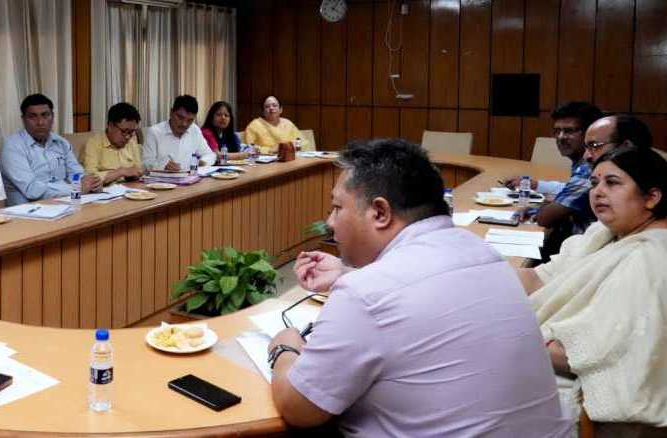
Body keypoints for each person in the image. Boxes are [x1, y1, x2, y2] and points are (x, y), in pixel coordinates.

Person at [268, 138, 570, 436]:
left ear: (380, 212)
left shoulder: (365, 292)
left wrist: (284, 347)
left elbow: (300, 409)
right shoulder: (485, 253)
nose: (330, 222)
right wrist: (347, 274)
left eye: (337, 207)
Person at [517, 145, 667, 436]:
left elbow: (597, 354)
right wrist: (480, 275)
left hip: (586, 400)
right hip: (548, 355)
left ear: (651, 197)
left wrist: (517, 334)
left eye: (612, 183)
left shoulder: (650, 257)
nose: (597, 192)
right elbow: (542, 278)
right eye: (595, 183)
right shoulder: (606, 234)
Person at [503, 102, 604, 261]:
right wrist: (538, 187)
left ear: (589, 135)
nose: (561, 137)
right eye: (557, 131)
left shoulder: (588, 168)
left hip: (586, 254)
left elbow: (546, 218)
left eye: (569, 131)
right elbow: (571, 189)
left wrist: (542, 207)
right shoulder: (584, 164)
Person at [0, 93, 100, 205]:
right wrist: (75, 189)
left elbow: (75, 172)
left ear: (52, 117)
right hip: (30, 209)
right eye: (33, 116)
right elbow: (32, 190)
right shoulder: (12, 147)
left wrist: (90, 183)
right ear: (23, 119)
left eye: (45, 115)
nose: (40, 122)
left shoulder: (61, 143)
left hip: (66, 202)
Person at [142, 94, 216, 172]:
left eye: (190, 120)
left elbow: (210, 155)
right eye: (180, 117)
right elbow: (146, 163)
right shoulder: (154, 132)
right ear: (171, 112)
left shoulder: (194, 130)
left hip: (190, 177)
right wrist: (163, 165)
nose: (184, 124)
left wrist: (202, 162)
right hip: (163, 179)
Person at [83, 102, 144, 185]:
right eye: (124, 131)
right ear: (110, 125)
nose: (127, 137)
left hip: (131, 187)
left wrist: (136, 174)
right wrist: (120, 172)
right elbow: (90, 179)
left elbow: (138, 169)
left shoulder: (132, 140)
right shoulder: (93, 144)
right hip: (106, 190)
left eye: (131, 132)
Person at [243, 96, 308, 154]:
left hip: (289, 157)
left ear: (280, 110)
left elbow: (303, 142)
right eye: (267, 106)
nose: (271, 108)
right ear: (263, 111)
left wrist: (289, 146)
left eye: (274, 105)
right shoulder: (254, 125)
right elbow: (247, 148)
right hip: (266, 160)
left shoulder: (287, 123)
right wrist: (270, 150)